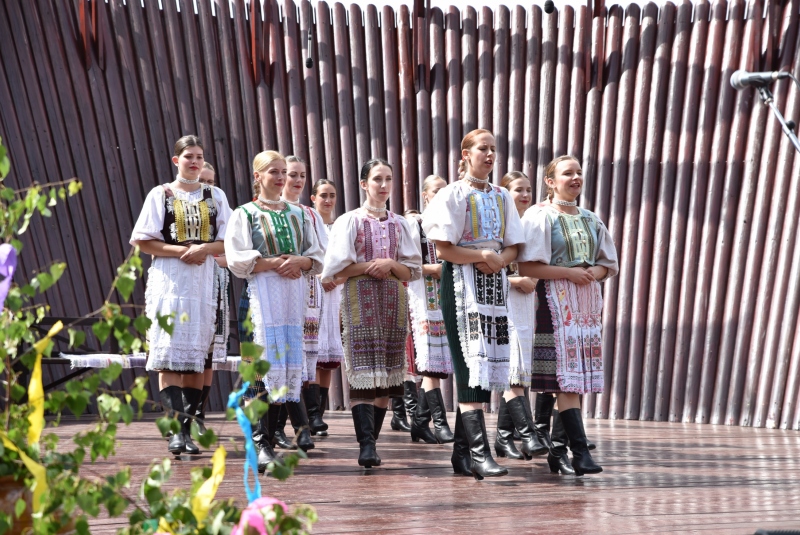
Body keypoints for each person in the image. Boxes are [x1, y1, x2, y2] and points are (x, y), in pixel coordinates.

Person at [422, 129, 524, 480]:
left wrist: (498, 259)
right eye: (483, 148)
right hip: (461, 283)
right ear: (465, 154)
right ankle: (479, 455)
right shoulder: (452, 194)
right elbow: (443, 248)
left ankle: (461, 455)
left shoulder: (501, 196)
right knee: (469, 360)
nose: (490, 155)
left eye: (494, 149)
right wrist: (481, 255)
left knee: (489, 360)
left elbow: (515, 244)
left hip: (493, 283)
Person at [130, 135, 232, 456]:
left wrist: (203, 248)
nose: (195, 161)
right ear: (177, 160)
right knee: (170, 355)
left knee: (194, 360)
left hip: (202, 284)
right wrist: (180, 251)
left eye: (199, 156)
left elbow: (229, 241)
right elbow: (143, 240)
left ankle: (187, 430)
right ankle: (175, 431)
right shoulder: (161, 194)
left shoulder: (215, 195)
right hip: (170, 282)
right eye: (189, 156)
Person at [517, 155, 619, 476]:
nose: (575, 177)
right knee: (566, 379)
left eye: (578, 172)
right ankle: (579, 452)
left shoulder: (590, 218)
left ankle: (559, 451)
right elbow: (528, 266)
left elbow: (609, 263)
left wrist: (592, 271)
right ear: (550, 181)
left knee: (575, 380)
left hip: (586, 305)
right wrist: (569, 273)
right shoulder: (539, 216)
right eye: (567, 173)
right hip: (553, 302)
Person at [225, 150, 324, 473]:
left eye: (284, 172)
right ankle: (260, 442)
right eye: (273, 172)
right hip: (259, 298)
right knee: (258, 370)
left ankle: (270, 434)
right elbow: (236, 257)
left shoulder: (299, 214)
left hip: (291, 297)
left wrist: (300, 262)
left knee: (283, 365)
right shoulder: (245, 213)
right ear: (258, 176)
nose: (281, 178)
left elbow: (317, 254)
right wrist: (274, 263)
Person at [321, 159, 421, 468]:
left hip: (392, 296)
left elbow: (413, 269)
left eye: (388, 179)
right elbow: (335, 269)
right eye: (377, 179)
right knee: (363, 368)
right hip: (359, 294)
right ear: (364, 184)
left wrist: (391, 265)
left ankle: (372, 443)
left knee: (388, 373)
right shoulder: (349, 221)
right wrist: (370, 266)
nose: (383, 185)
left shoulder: (401, 223)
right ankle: (365, 444)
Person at [276, 156, 329, 447]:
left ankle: (297, 425)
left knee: (303, 362)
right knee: (278, 358)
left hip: (308, 291)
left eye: (301, 175)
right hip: (276, 287)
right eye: (291, 174)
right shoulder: (266, 209)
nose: (296, 180)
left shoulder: (311, 214)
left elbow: (324, 254)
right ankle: (287, 427)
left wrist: (305, 262)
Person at [494, 171, 547, 460]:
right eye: (518, 189)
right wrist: (515, 281)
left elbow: (537, 262)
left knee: (519, 369)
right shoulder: (499, 225)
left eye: (528, 189)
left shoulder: (531, 223)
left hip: (527, 300)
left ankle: (503, 437)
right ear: (504, 192)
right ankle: (528, 434)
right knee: (512, 368)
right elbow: (486, 265)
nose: (525, 194)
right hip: (502, 299)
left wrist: (532, 281)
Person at [403, 175, 454, 444]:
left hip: (448, 298)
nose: (441, 195)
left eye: (445, 191)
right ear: (425, 195)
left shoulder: (452, 225)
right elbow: (404, 263)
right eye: (436, 191)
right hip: (423, 298)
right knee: (430, 362)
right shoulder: (416, 224)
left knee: (440, 362)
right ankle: (439, 421)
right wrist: (429, 269)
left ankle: (420, 422)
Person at [310, 179, 345, 431]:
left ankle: (319, 413)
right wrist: (320, 279)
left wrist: (337, 278)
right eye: (323, 195)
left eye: (332, 195)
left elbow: (349, 260)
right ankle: (311, 413)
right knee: (312, 352)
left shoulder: (341, 226)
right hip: (311, 291)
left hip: (336, 294)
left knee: (328, 358)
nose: (328, 200)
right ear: (313, 198)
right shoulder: (308, 224)